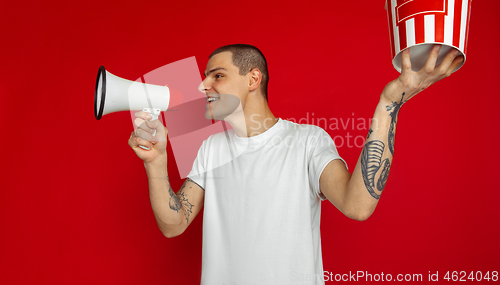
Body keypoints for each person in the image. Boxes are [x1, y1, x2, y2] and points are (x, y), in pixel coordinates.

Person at [128, 44, 463, 285]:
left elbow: (357, 205)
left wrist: (389, 103)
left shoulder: (308, 141)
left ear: (252, 79)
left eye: (217, 75)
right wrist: (156, 163)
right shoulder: (210, 148)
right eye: (204, 77)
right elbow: (174, 225)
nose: (203, 86)